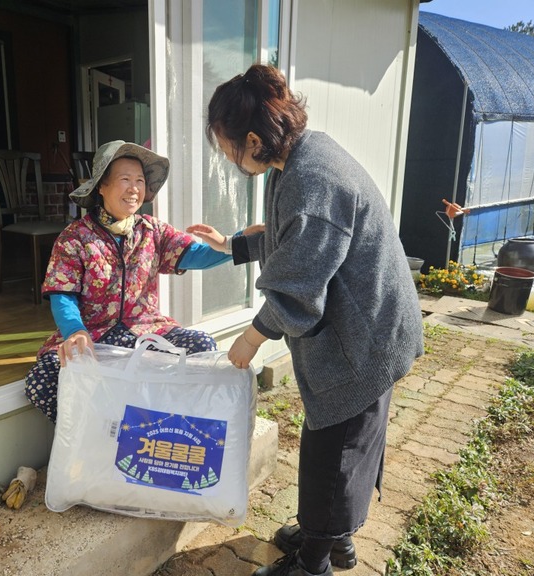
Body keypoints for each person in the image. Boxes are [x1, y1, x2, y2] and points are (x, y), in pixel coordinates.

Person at [188, 64, 424, 576]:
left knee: (333, 455)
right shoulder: (297, 158)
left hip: (365, 337)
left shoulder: (312, 179)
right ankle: (335, 538)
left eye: (228, 149)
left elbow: (296, 292)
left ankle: (314, 560)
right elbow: (289, 236)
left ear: (253, 140)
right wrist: (231, 245)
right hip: (366, 325)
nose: (229, 159)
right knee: (347, 447)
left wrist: (248, 342)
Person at [25, 140, 239, 425]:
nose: (134, 188)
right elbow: (62, 294)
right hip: (94, 335)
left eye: (139, 180)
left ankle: (161, 429)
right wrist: (74, 330)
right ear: (101, 186)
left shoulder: (152, 230)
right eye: (124, 179)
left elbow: (195, 255)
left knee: (201, 347)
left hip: (146, 330)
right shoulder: (74, 237)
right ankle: (100, 434)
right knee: (44, 377)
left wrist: (236, 244)